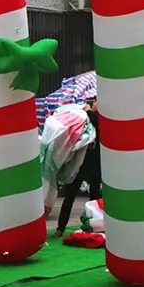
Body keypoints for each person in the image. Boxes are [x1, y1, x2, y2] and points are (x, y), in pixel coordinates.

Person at [54, 99, 101, 237]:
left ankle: (94, 227)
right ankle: (60, 227)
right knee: (70, 195)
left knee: (94, 198)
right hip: (79, 164)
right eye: (94, 102)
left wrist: (88, 111)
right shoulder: (81, 119)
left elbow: (96, 121)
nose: (96, 103)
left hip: (95, 163)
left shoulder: (100, 117)